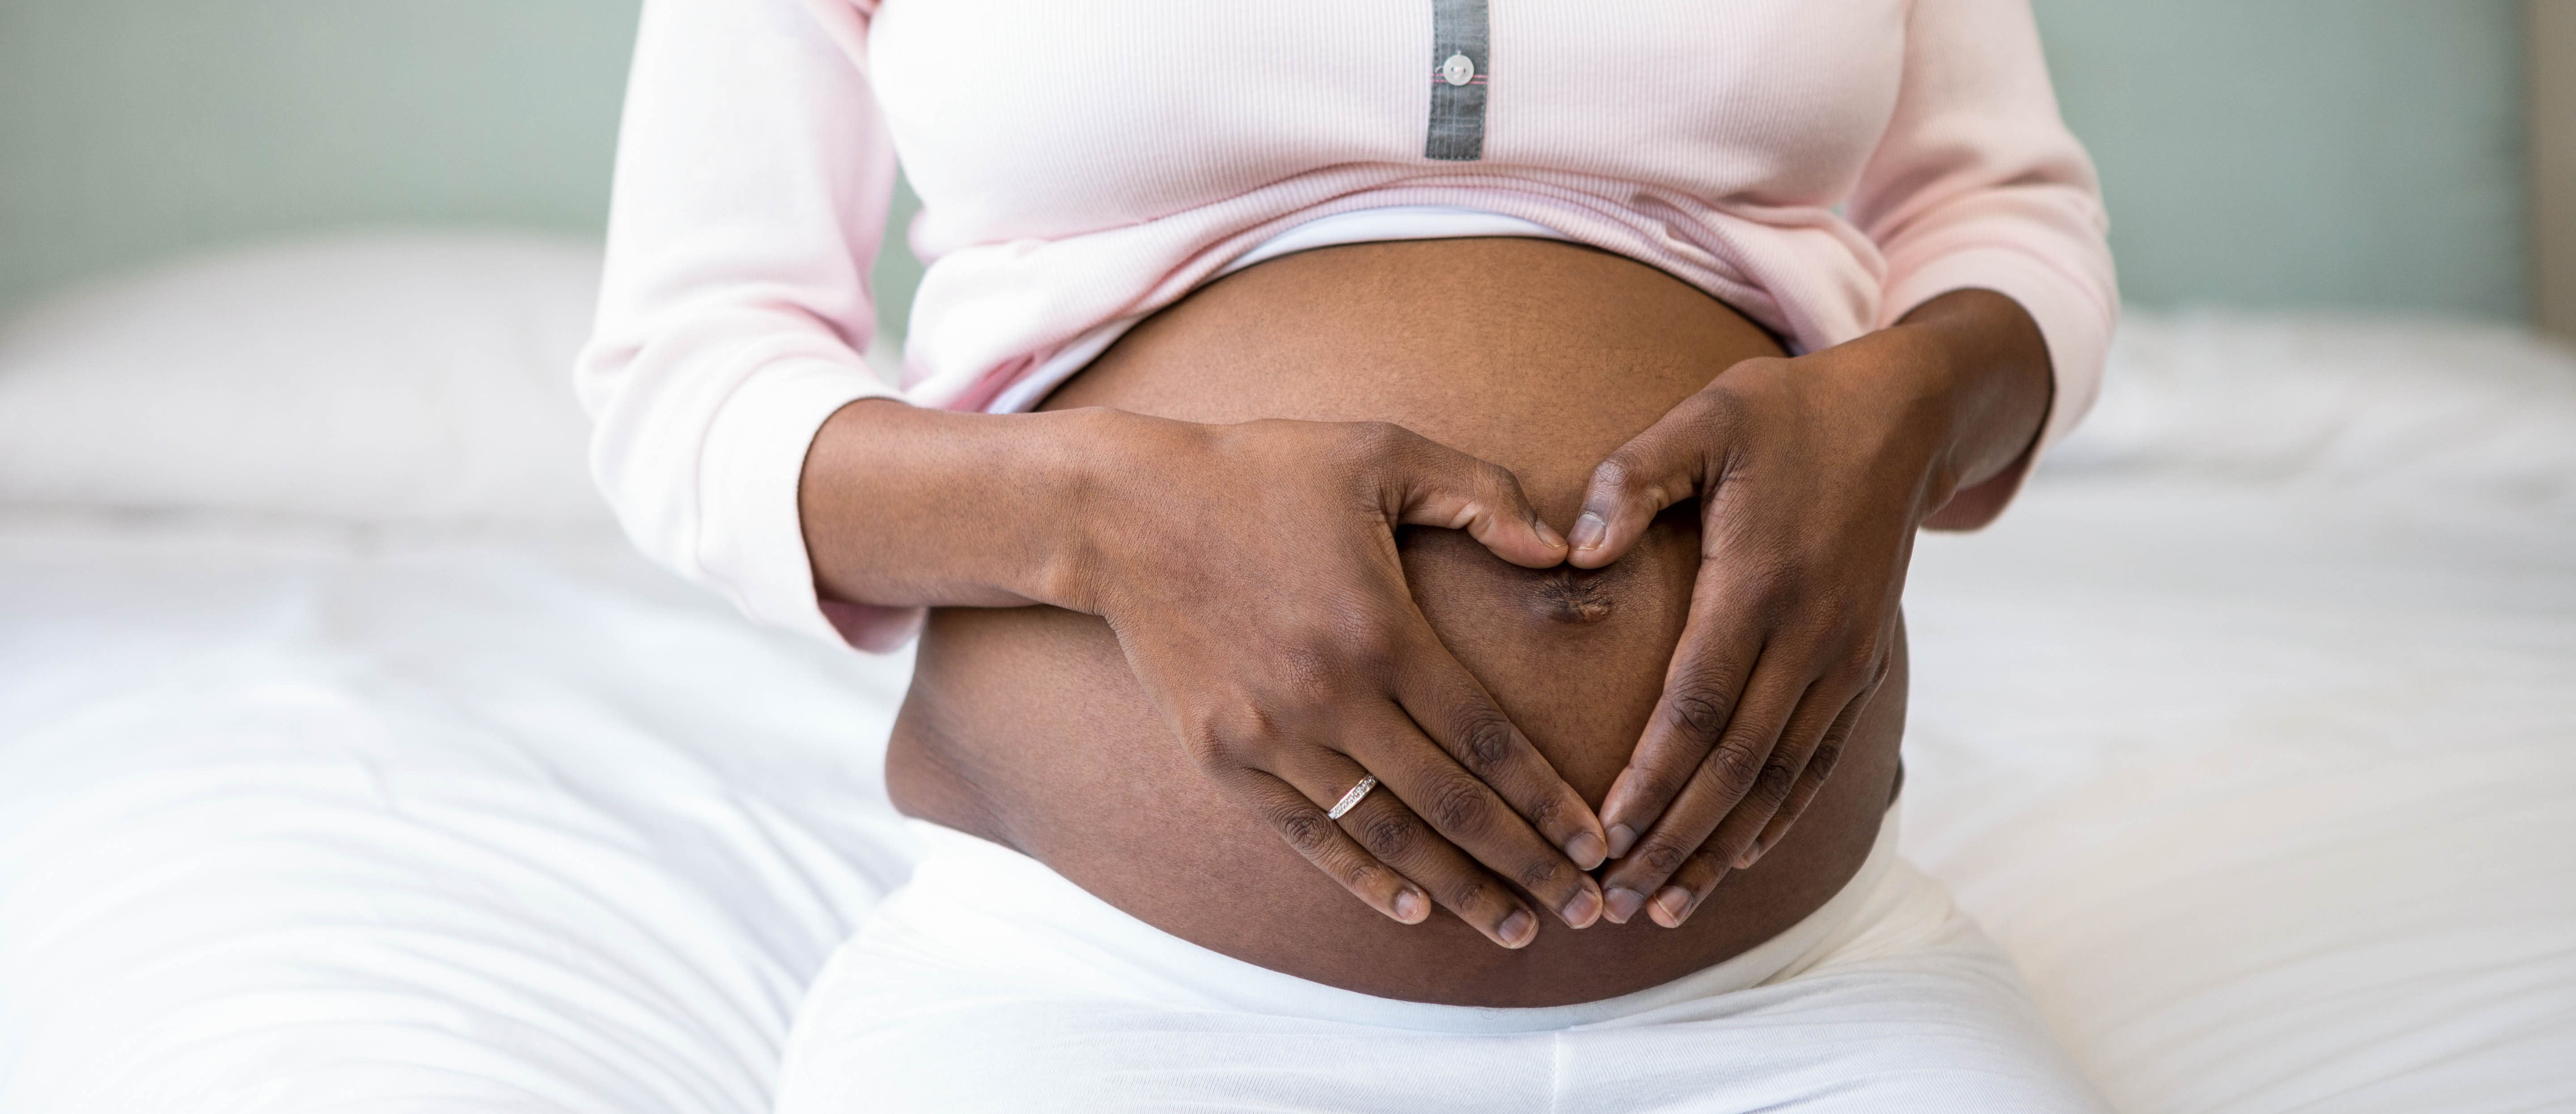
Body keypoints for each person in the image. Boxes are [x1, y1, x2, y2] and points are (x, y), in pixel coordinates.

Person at [578, 0, 2118, 1108]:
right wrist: (1110, 520)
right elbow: (689, 369)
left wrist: (1903, 407)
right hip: (1101, 997)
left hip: (1806, 994)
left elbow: (2007, 217)